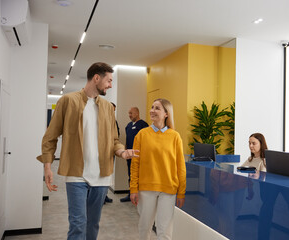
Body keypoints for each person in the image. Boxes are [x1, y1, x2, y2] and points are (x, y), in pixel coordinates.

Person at [36, 62, 138, 240]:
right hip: (76, 175)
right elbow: (50, 137)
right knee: (77, 223)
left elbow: (114, 140)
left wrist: (123, 152)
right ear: (96, 78)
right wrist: (47, 167)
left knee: (93, 223)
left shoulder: (107, 108)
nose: (110, 85)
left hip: (102, 176)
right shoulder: (68, 101)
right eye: (109, 81)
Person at [130, 98, 186, 240]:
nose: (152, 110)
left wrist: (181, 192)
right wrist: (133, 189)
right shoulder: (142, 134)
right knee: (144, 228)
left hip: (168, 189)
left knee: (164, 232)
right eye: (152, 107)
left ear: (166, 113)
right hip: (146, 189)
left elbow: (181, 167)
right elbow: (135, 164)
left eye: (157, 108)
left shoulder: (175, 136)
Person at [120, 107, 148, 202]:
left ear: (137, 113)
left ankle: (141, 196)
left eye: (131, 113)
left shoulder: (143, 125)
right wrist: (125, 149)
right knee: (130, 174)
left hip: (139, 156)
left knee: (139, 175)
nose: (129, 115)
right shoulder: (128, 125)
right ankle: (131, 193)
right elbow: (128, 139)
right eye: (129, 113)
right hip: (129, 155)